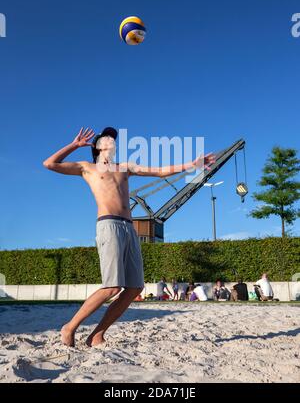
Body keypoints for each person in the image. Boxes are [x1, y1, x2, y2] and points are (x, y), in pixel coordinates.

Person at [43, 126, 215, 347]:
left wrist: (191, 165)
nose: (112, 140)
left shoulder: (124, 167)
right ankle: (70, 326)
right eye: (107, 137)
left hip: (129, 227)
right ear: (97, 146)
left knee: (135, 287)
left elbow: (160, 171)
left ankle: (97, 334)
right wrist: (74, 145)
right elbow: (49, 164)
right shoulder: (87, 167)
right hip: (109, 225)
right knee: (112, 287)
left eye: (114, 138)